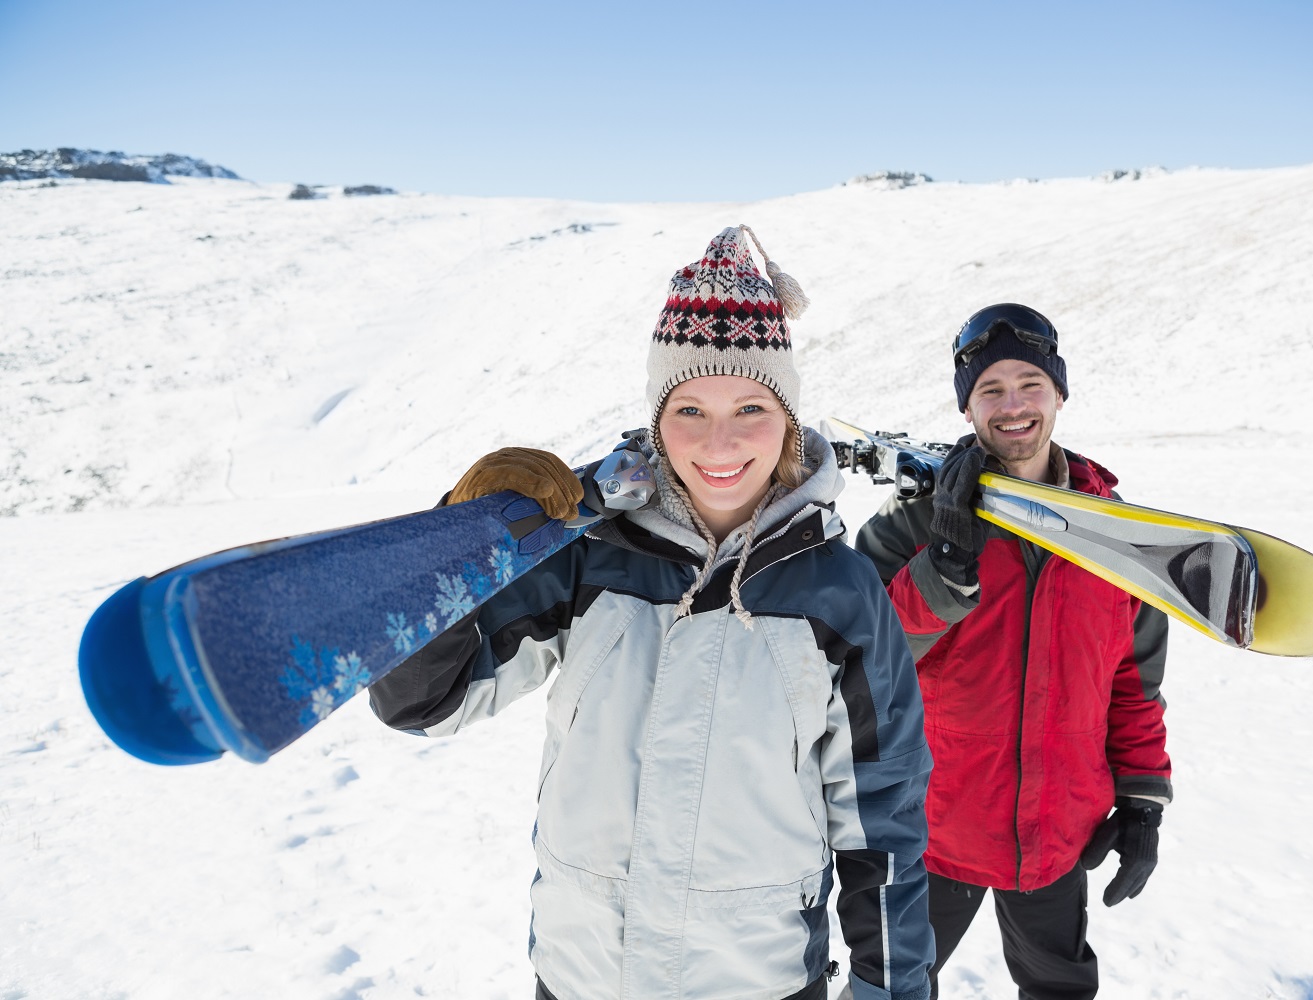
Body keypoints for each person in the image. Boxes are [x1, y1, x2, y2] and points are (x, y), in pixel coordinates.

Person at [369, 227, 935, 1000]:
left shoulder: (838, 591)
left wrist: (892, 986)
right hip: (583, 976)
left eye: (751, 407)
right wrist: (466, 551)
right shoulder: (588, 559)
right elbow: (419, 701)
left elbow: (884, 813)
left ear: (789, 419)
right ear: (656, 416)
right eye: (689, 407)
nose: (720, 441)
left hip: (758, 981)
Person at [853, 304, 1172, 1000]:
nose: (1013, 406)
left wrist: (1142, 799)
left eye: (1030, 383)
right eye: (990, 390)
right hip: (931, 831)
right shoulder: (910, 521)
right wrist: (942, 569)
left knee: (1060, 989)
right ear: (967, 407)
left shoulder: (1113, 533)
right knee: (889, 991)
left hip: (1059, 830)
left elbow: (1132, 681)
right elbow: (854, 663)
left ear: (1059, 392)